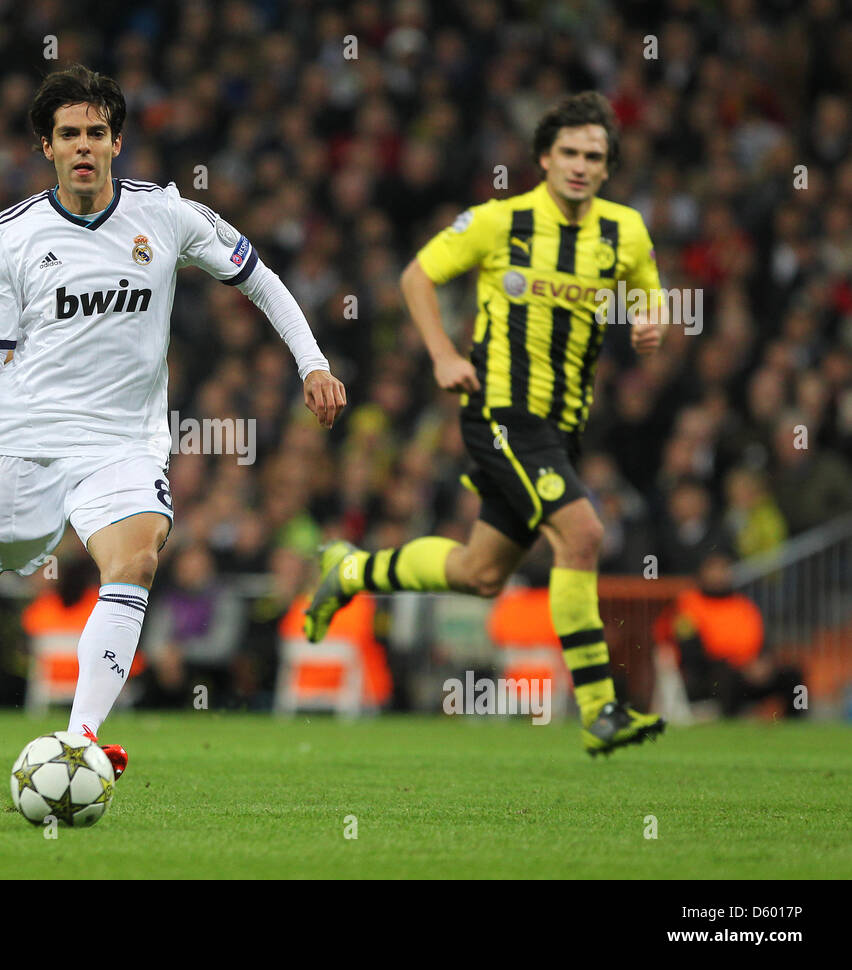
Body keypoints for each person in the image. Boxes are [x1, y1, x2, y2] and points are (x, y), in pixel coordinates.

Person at [0, 65, 345, 800]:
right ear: (46, 148)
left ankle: (81, 739)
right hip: (24, 443)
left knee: (138, 557)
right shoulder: (16, 233)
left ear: (117, 141)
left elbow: (261, 279)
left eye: (96, 132)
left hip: (122, 444)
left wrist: (312, 363)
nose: (83, 146)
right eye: (68, 135)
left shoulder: (169, 215)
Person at [305, 91, 667, 756]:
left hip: (560, 428)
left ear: (609, 166)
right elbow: (416, 276)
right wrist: (443, 354)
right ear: (543, 158)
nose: (580, 166)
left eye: (594, 156)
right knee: (582, 533)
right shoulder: (499, 222)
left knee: (480, 573)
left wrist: (651, 319)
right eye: (569, 154)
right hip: (501, 412)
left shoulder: (626, 232)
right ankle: (600, 710)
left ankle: (349, 572)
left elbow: (648, 286)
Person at [657, 552, 805, 718]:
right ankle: (730, 726)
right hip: (710, 675)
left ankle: (797, 724)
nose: (719, 575)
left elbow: (763, 643)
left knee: (792, 675)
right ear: (702, 572)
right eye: (714, 569)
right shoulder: (687, 605)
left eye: (724, 569)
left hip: (749, 671)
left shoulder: (744, 606)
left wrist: (762, 664)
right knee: (726, 678)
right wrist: (738, 665)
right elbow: (691, 653)